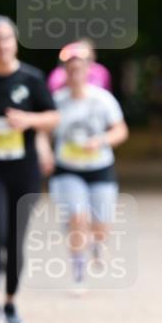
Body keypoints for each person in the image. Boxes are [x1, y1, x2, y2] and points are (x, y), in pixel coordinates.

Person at [0, 15, 59, 323]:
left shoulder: (31, 78)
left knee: (15, 239)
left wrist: (28, 120)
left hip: (23, 169)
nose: (2, 46)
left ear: (14, 43)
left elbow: (53, 117)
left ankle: (11, 303)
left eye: (7, 39)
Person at [47, 42, 129, 291]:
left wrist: (101, 141)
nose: (75, 73)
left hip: (99, 167)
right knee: (77, 217)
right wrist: (44, 152)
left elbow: (120, 130)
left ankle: (97, 243)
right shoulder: (56, 101)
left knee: (101, 226)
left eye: (79, 68)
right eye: (70, 69)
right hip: (67, 168)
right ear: (64, 71)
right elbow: (43, 131)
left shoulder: (102, 99)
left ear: (88, 70)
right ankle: (79, 273)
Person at [47, 39, 112, 93]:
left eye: (78, 60)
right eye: (70, 61)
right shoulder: (57, 75)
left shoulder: (100, 72)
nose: (75, 64)